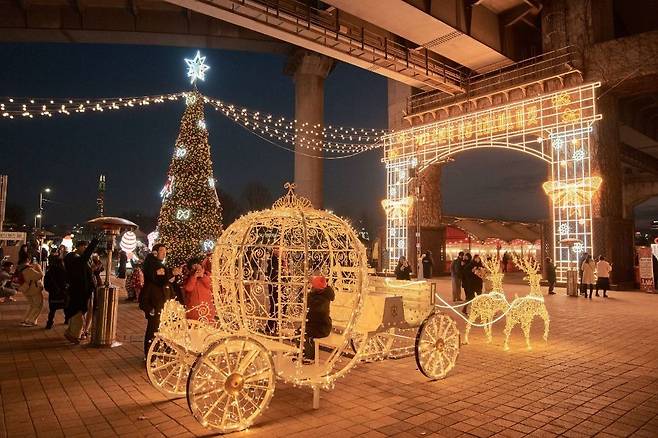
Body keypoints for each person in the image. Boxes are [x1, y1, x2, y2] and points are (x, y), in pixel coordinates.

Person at [139, 244, 183, 358]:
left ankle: (158, 354)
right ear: (155, 253)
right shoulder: (152, 265)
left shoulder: (159, 266)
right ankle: (151, 356)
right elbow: (160, 279)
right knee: (153, 331)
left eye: (165, 251)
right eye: (162, 251)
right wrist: (171, 273)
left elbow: (164, 280)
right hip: (155, 304)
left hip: (163, 305)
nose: (164, 253)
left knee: (162, 331)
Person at [64, 238, 99, 344]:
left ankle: (72, 333)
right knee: (77, 315)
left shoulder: (78, 259)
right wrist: (94, 242)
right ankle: (74, 335)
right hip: (78, 290)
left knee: (77, 313)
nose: (85, 248)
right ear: (78, 247)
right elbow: (83, 260)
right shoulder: (73, 258)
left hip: (82, 290)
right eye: (84, 246)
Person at [303, 274, 335, 363]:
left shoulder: (323, 298)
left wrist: (309, 297)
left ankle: (310, 357)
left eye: (313, 286)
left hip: (322, 327)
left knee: (307, 334)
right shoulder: (315, 295)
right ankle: (302, 353)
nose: (311, 287)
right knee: (299, 332)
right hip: (313, 325)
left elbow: (317, 313)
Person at [44, 255, 68, 329]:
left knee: (52, 309)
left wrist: (50, 290)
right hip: (63, 293)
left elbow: (46, 284)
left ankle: (49, 323)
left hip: (53, 293)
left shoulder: (49, 272)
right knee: (65, 307)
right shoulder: (64, 271)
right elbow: (67, 282)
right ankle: (67, 320)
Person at [18, 262, 44, 326]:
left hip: (25, 289)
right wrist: (38, 267)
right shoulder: (28, 269)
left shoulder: (19, 268)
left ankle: (25, 319)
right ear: (27, 259)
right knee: (38, 305)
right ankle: (31, 321)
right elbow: (40, 275)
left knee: (31, 305)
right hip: (33, 290)